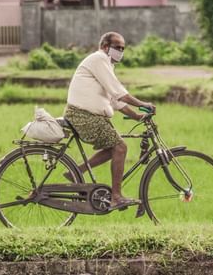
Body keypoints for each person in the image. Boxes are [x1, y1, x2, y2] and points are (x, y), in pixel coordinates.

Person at [63, 32, 156, 211]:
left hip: (87, 116)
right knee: (120, 147)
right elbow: (118, 92)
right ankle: (116, 197)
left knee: (112, 147)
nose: (120, 51)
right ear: (105, 47)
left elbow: (115, 101)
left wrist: (137, 116)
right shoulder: (99, 59)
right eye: (117, 47)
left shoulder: (105, 65)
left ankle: (76, 170)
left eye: (122, 48)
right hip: (83, 116)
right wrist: (143, 104)